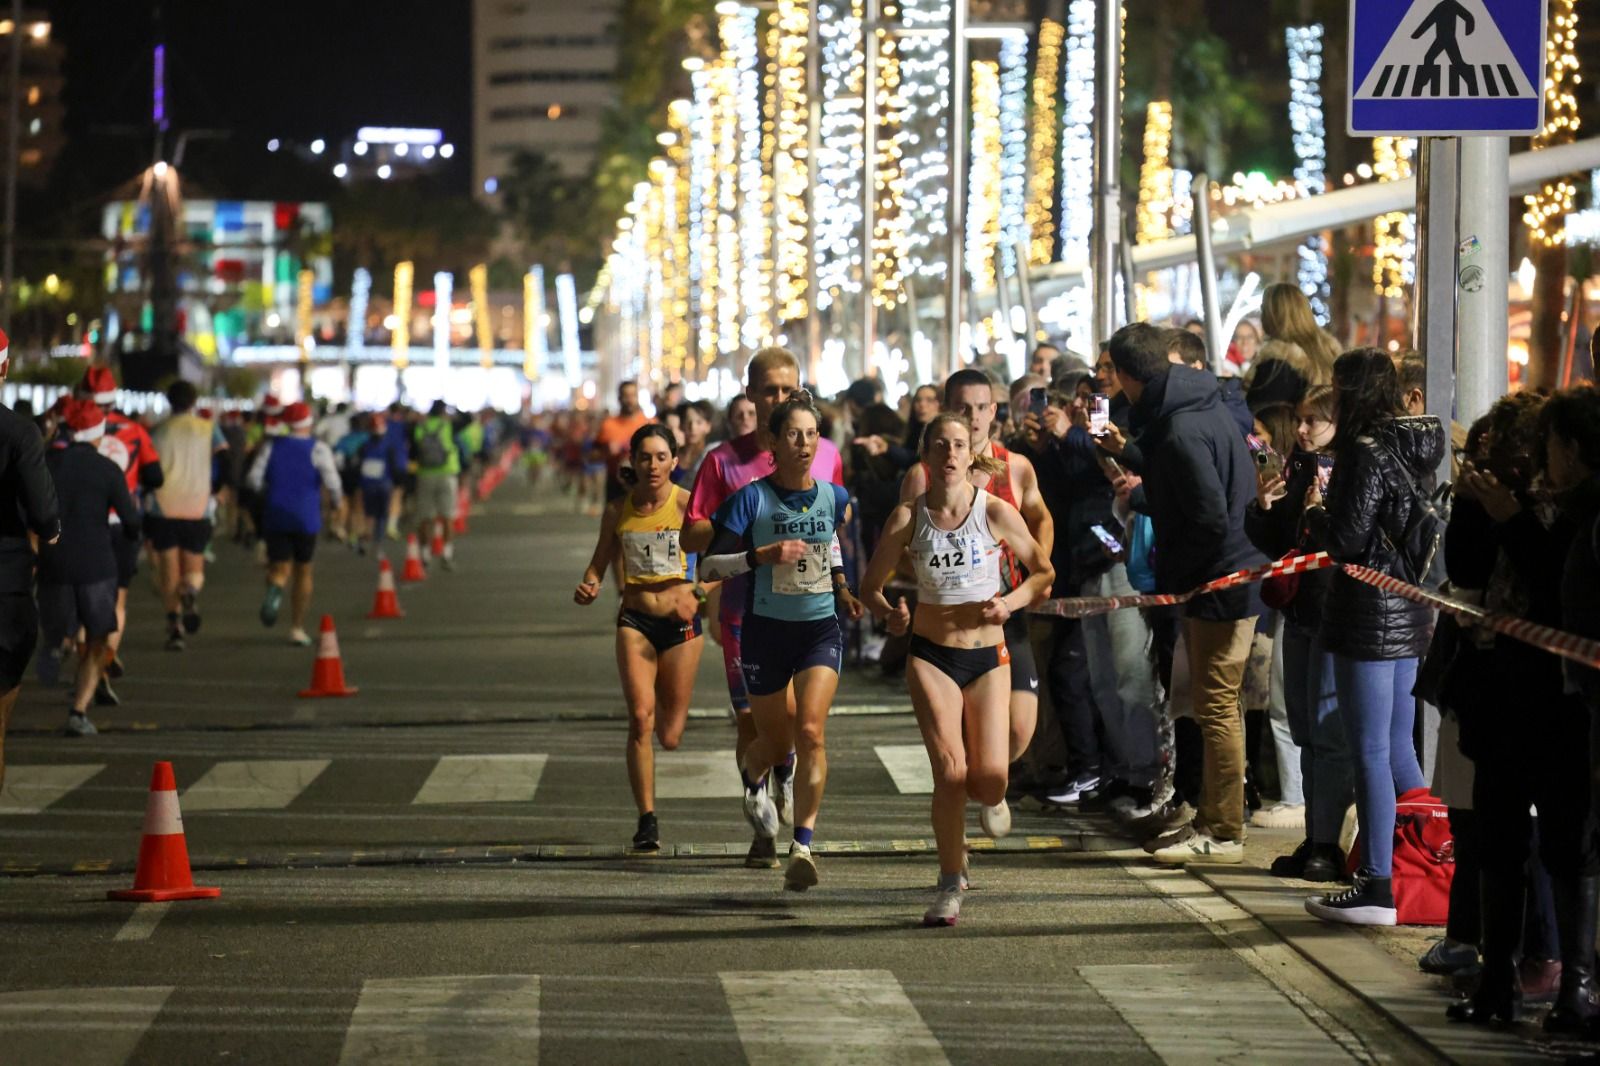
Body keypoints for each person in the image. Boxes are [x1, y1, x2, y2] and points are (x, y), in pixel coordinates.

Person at [862, 413, 1053, 925]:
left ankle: (992, 796)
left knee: (989, 778)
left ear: (972, 455)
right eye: (941, 445)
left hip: (988, 657)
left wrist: (1009, 603)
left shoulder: (994, 511)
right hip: (931, 655)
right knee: (950, 772)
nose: (950, 453)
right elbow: (870, 588)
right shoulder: (907, 517)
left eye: (959, 445)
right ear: (926, 455)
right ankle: (950, 881)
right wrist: (890, 614)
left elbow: (1043, 573)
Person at [1103, 322, 1261, 865]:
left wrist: (1184, 570)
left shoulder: (1180, 426)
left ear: (1128, 375)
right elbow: (1180, 479)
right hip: (1219, 576)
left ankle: (1225, 830)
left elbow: (1207, 513)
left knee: (1216, 706)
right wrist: (1131, 454)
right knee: (1213, 703)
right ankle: (1212, 818)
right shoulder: (1193, 407)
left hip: (1219, 581)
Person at [681, 348, 845, 870]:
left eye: (787, 390)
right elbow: (693, 535)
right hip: (744, 611)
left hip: (812, 612)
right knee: (753, 724)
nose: (777, 399)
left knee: (802, 725)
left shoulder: (825, 452)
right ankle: (762, 829)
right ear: (749, 394)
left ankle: (791, 799)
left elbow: (830, 527)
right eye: (768, 390)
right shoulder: (722, 461)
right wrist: (745, 522)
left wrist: (845, 583)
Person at [1302, 349, 1445, 925]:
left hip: (1368, 615)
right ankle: (1431, 865)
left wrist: (1314, 512)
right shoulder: (1415, 445)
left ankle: (1378, 883)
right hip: (1408, 610)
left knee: (1369, 751)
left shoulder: (1365, 451)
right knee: (1398, 747)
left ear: (1351, 391)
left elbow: (1347, 540)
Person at [898, 368, 1055, 830]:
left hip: (1004, 613)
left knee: (1018, 729)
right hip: (946, 625)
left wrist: (1034, 575)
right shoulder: (922, 476)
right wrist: (927, 577)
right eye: (962, 408)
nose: (973, 416)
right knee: (954, 750)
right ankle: (961, 797)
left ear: (994, 411)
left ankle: (990, 784)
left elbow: (1041, 519)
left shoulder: (1015, 466)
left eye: (981, 407)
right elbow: (901, 543)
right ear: (947, 411)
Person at [574, 424, 704, 851]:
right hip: (635, 621)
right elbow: (598, 562)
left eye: (661, 457)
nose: (652, 465)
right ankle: (647, 819)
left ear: (674, 461)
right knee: (640, 720)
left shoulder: (688, 505)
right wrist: (590, 584)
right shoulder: (618, 510)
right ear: (633, 460)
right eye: (645, 457)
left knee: (670, 735)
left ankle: (664, 697)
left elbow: (723, 563)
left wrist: (700, 595)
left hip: (681, 628)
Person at [1246, 385, 1349, 881]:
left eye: (1314, 421)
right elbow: (1280, 543)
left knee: (1329, 736)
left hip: (1335, 613)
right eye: (1301, 420)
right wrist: (1265, 506)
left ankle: (1329, 845)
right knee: (1305, 731)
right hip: (1300, 610)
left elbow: (1348, 540)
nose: (1302, 430)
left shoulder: (1353, 466)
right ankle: (1315, 836)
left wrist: (1318, 511)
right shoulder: (1300, 466)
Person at [39, 400, 139, 736]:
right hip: (97, 565)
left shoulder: (46, 463)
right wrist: (133, 538)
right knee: (98, 639)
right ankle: (78, 711)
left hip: (53, 563)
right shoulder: (107, 469)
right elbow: (130, 520)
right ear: (99, 434)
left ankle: (59, 644)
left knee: (59, 625)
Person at [0, 327, 58, 787]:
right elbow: (42, 509)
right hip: (5, 581)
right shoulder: (19, 433)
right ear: (4, 367)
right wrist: (51, 530)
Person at [77, 366, 162, 676]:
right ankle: (107, 657)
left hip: (85, 523)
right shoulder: (134, 431)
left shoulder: (73, 429)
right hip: (124, 523)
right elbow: (155, 475)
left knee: (83, 599)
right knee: (118, 597)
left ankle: (86, 666)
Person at [248, 402, 344, 646]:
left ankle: (275, 589)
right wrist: (336, 503)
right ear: (309, 422)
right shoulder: (318, 449)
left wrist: (267, 491)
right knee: (304, 570)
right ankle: (297, 627)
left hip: (276, 514)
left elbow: (253, 479)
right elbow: (333, 483)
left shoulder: (271, 446)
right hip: (306, 517)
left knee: (279, 568)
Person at [148, 381, 227, 652]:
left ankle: (175, 626)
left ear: (169, 401)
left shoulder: (157, 430)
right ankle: (191, 592)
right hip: (197, 506)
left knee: (169, 569)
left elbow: (148, 468)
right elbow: (225, 458)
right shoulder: (208, 428)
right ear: (194, 401)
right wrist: (217, 487)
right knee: (194, 569)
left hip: (163, 506)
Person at [1260, 283, 1342, 385]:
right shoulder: (1330, 352)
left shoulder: (1275, 364)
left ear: (1273, 316)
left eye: (1263, 309)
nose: (1261, 316)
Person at [413, 400, 461, 570]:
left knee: (424, 517)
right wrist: (453, 409)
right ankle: (446, 555)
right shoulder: (448, 426)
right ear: (443, 412)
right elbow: (468, 419)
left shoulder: (420, 427)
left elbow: (414, 449)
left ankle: (424, 555)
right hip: (447, 474)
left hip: (425, 474)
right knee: (448, 515)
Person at [355, 410, 409, 553]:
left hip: (367, 484)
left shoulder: (364, 445)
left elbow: (359, 465)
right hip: (384, 483)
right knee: (381, 514)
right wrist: (398, 481)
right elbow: (393, 465)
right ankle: (377, 543)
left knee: (369, 513)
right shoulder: (388, 445)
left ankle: (366, 538)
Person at [593, 382, 650, 503]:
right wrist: (606, 452)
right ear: (619, 398)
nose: (630, 400)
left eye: (633, 395)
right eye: (626, 396)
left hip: (644, 485)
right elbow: (591, 456)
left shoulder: (649, 424)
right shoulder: (608, 425)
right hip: (616, 486)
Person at [673, 400, 715, 487]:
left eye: (699, 422)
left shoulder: (710, 458)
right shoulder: (672, 454)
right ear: (681, 425)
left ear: (708, 426)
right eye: (688, 422)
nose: (692, 427)